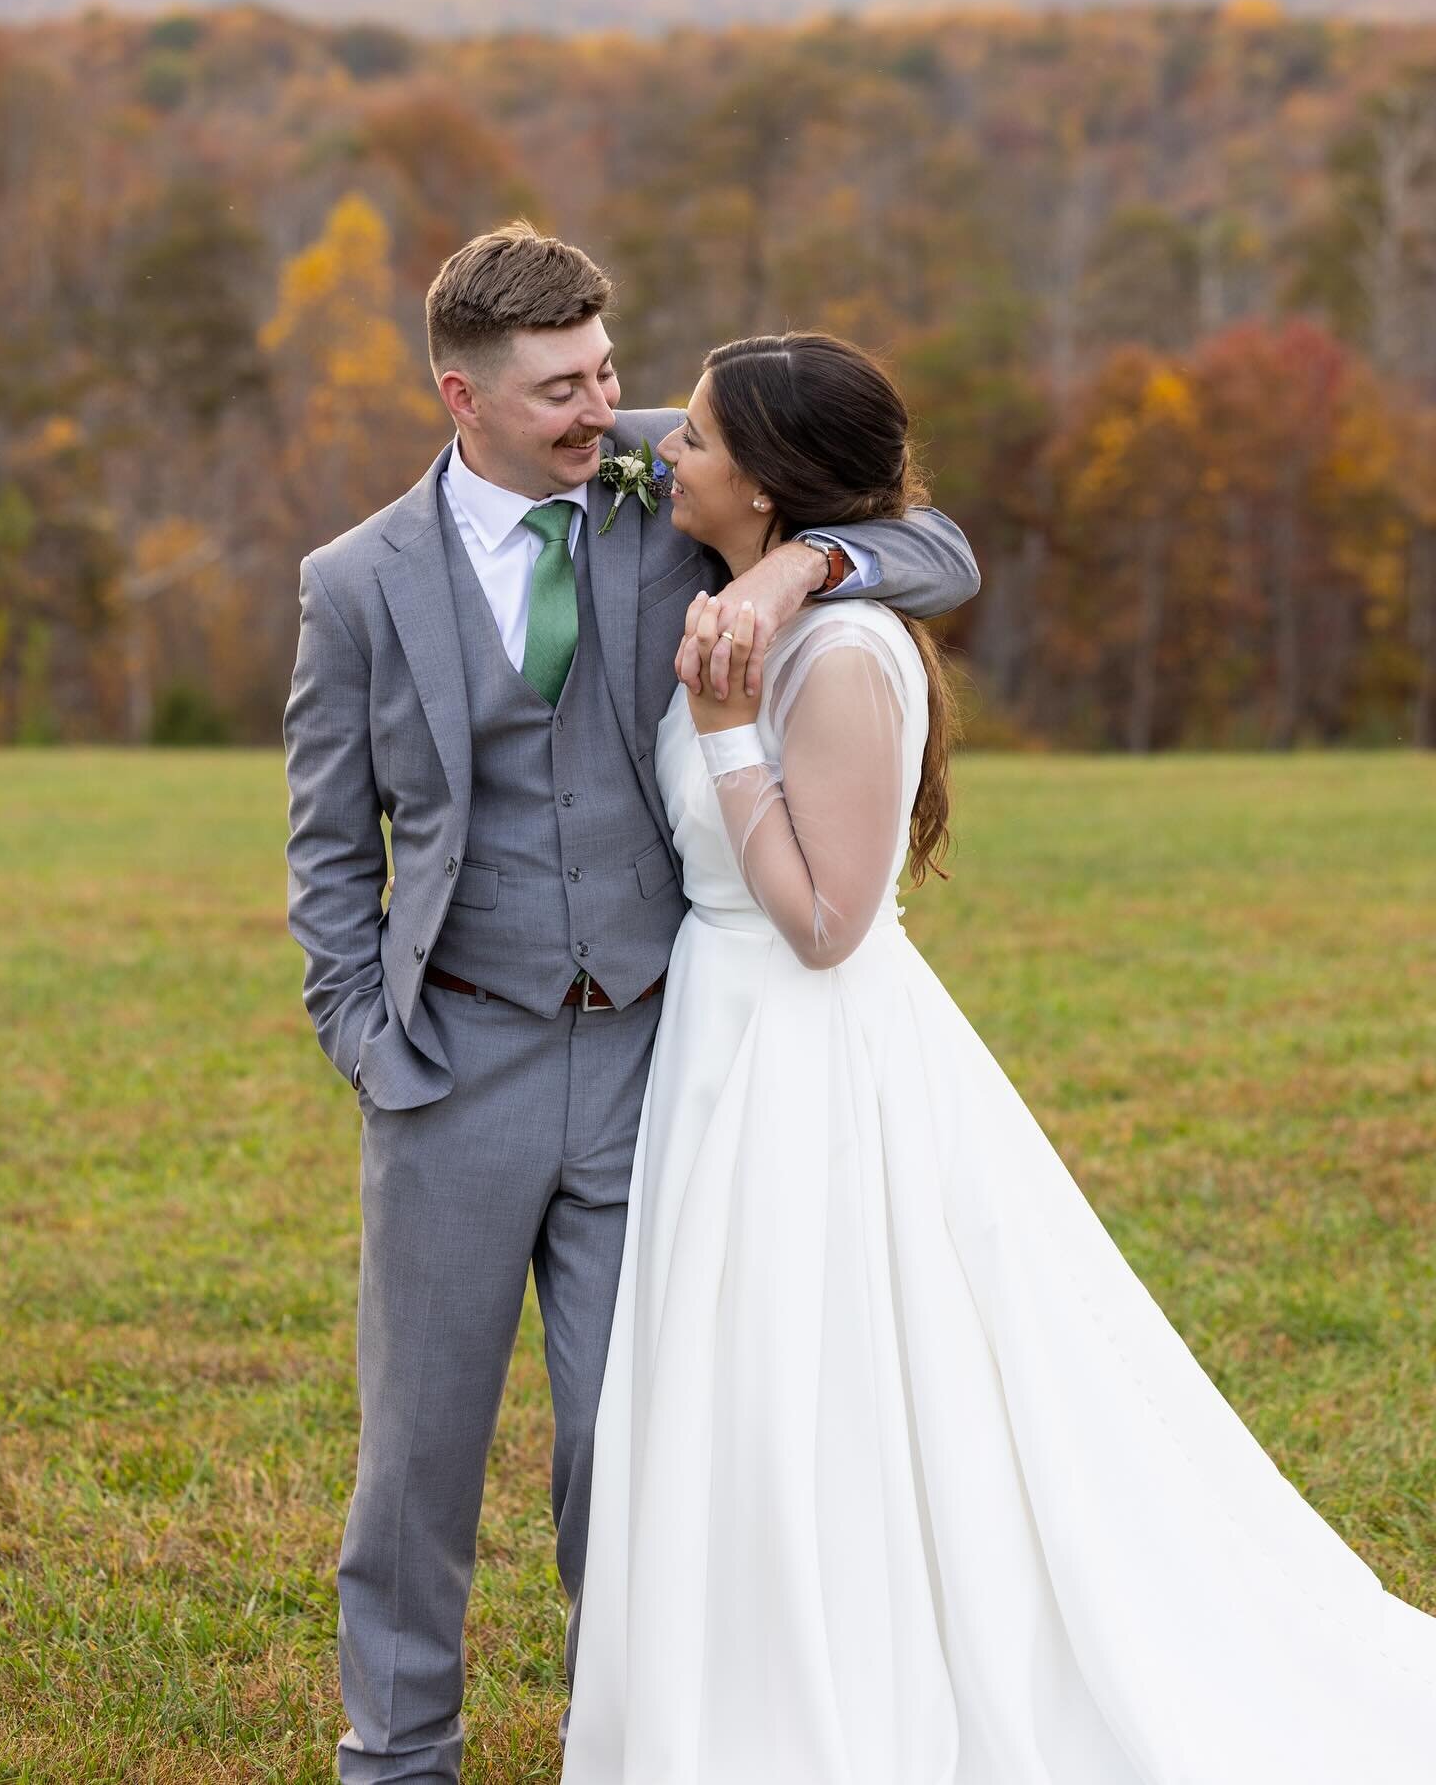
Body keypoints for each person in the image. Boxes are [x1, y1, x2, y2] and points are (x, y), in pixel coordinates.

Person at [558, 332, 1436, 1783]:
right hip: (722, 1041)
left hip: (801, 1047)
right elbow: (717, 461)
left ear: (771, 486)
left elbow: (829, 922)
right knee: (744, 1379)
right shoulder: (764, 563)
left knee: (820, 1380)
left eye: (699, 441)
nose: (667, 454)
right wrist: (795, 559)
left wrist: (726, 728)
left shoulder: (838, 658)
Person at [281, 225, 980, 1783]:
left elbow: (937, 549)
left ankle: (633, 1735)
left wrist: (804, 558)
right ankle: (399, 1756)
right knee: (418, 1455)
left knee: (630, 1444)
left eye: (609, 370)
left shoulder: (663, 478)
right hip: (454, 1062)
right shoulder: (358, 585)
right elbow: (329, 851)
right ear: (463, 396)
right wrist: (365, 1040)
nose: (603, 405)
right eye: (560, 388)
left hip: (658, 1055)